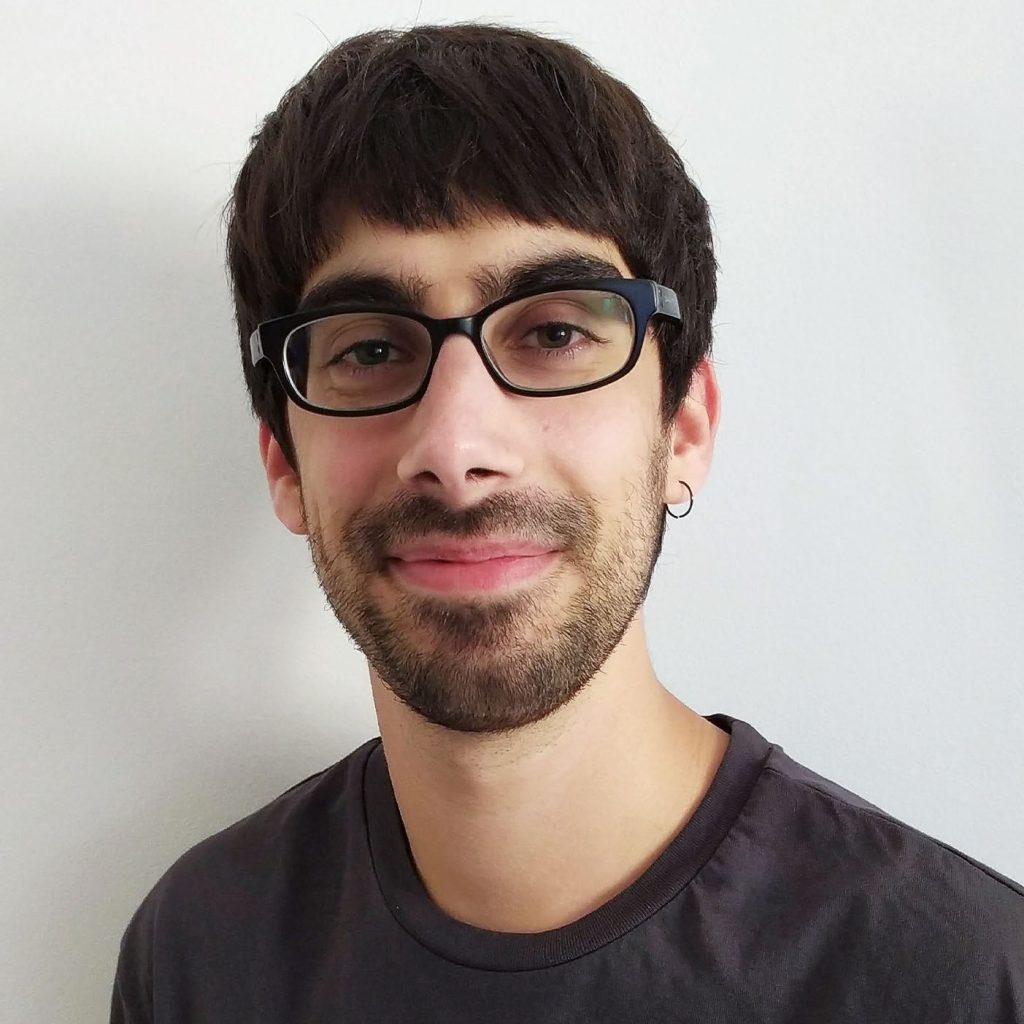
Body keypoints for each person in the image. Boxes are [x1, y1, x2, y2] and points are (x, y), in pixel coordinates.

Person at [110, 23, 1023, 1023]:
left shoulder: (956, 977)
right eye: (370, 351)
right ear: (284, 462)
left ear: (682, 427)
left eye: (553, 332)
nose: (455, 447)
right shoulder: (199, 948)